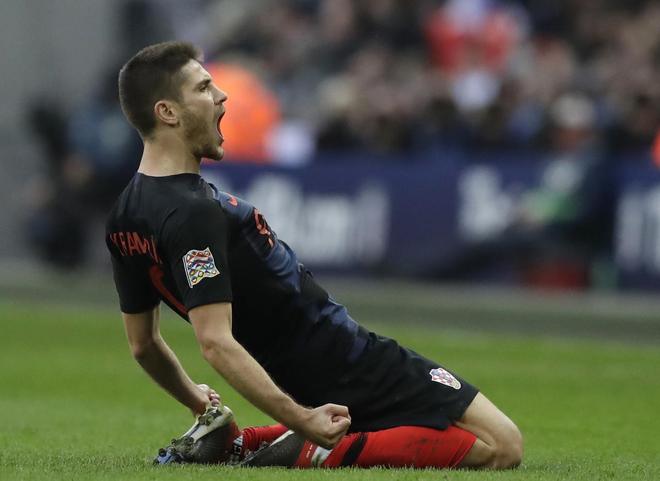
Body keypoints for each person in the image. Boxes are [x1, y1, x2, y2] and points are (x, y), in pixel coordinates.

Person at [106, 41, 523, 469]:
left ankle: (246, 443)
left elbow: (143, 345)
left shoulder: (125, 214)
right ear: (167, 112)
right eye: (203, 88)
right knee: (502, 445)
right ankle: (310, 449)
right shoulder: (192, 212)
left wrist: (199, 402)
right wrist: (302, 420)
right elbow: (215, 342)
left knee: (465, 437)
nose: (222, 95)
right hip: (347, 359)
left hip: (308, 367)